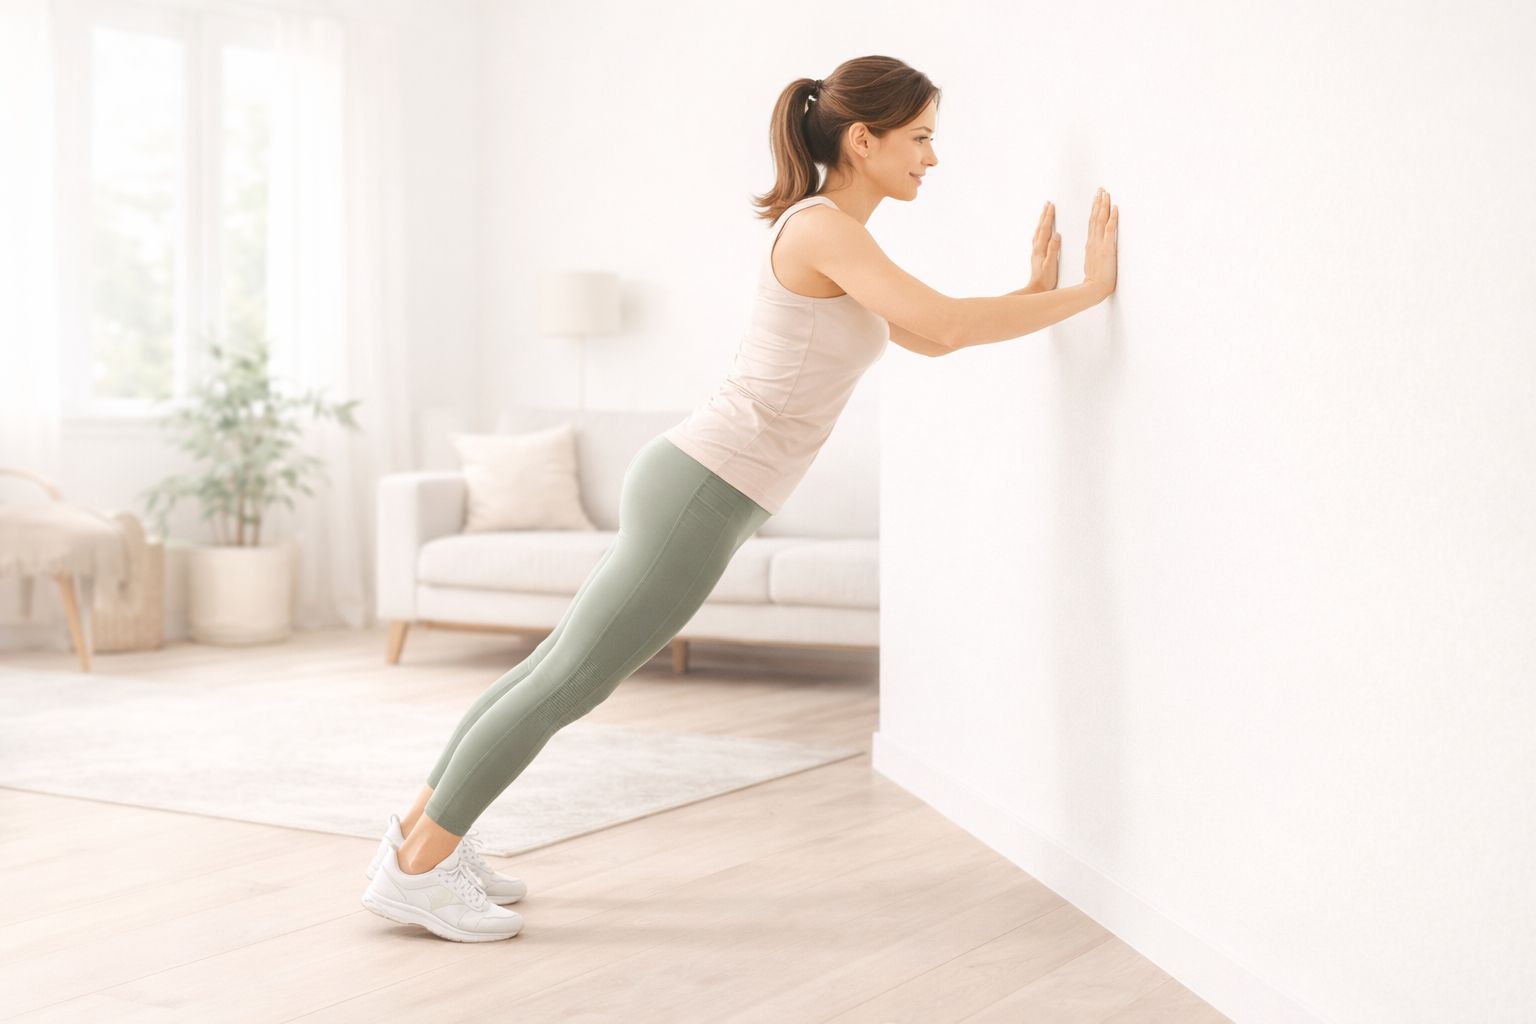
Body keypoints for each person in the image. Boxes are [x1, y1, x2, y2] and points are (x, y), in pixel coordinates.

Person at [360, 54, 1119, 943]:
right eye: (920, 140)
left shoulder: (841, 235)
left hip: (701, 484)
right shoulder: (823, 229)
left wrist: (1033, 295)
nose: (932, 159)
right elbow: (945, 323)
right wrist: (1085, 294)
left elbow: (931, 337)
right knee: (569, 680)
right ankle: (417, 870)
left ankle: (425, 840)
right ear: (863, 139)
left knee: (549, 668)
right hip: (702, 489)